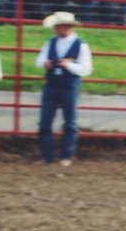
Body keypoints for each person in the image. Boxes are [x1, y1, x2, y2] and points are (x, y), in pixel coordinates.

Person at [35, 11, 93, 166]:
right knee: (45, 121)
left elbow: (86, 69)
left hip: (69, 85)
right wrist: (44, 63)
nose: (58, 30)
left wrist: (68, 65)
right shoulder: (51, 42)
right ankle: (47, 156)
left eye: (60, 27)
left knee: (70, 122)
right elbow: (39, 59)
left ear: (67, 27)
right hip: (53, 84)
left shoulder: (81, 45)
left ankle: (66, 156)